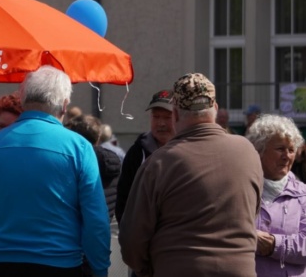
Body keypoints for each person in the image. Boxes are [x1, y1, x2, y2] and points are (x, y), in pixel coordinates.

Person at [0, 65, 110, 277]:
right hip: (61, 264)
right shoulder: (79, 148)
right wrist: (100, 268)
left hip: (2, 263)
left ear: (23, 101)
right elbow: (96, 219)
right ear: (64, 105)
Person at [119, 73, 263, 277]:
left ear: (175, 115)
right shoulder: (248, 152)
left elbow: (132, 242)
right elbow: (252, 213)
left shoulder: (159, 162)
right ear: (215, 108)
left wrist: (149, 268)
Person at [246, 114, 306, 277]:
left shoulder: (303, 194)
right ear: (259, 150)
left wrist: (273, 245)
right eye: (280, 149)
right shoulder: (241, 189)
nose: (287, 156)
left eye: (291, 150)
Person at [115, 89, 176, 224]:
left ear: (178, 117)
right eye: (156, 117)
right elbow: (124, 198)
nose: (161, 123)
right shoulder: (137, 153)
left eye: (167, 117)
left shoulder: (190, 149)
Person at [66, 115, 121, 222]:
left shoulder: (78, 161)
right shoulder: (114, 159)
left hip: (80, 224)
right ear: (98, 137)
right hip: (108, 223)